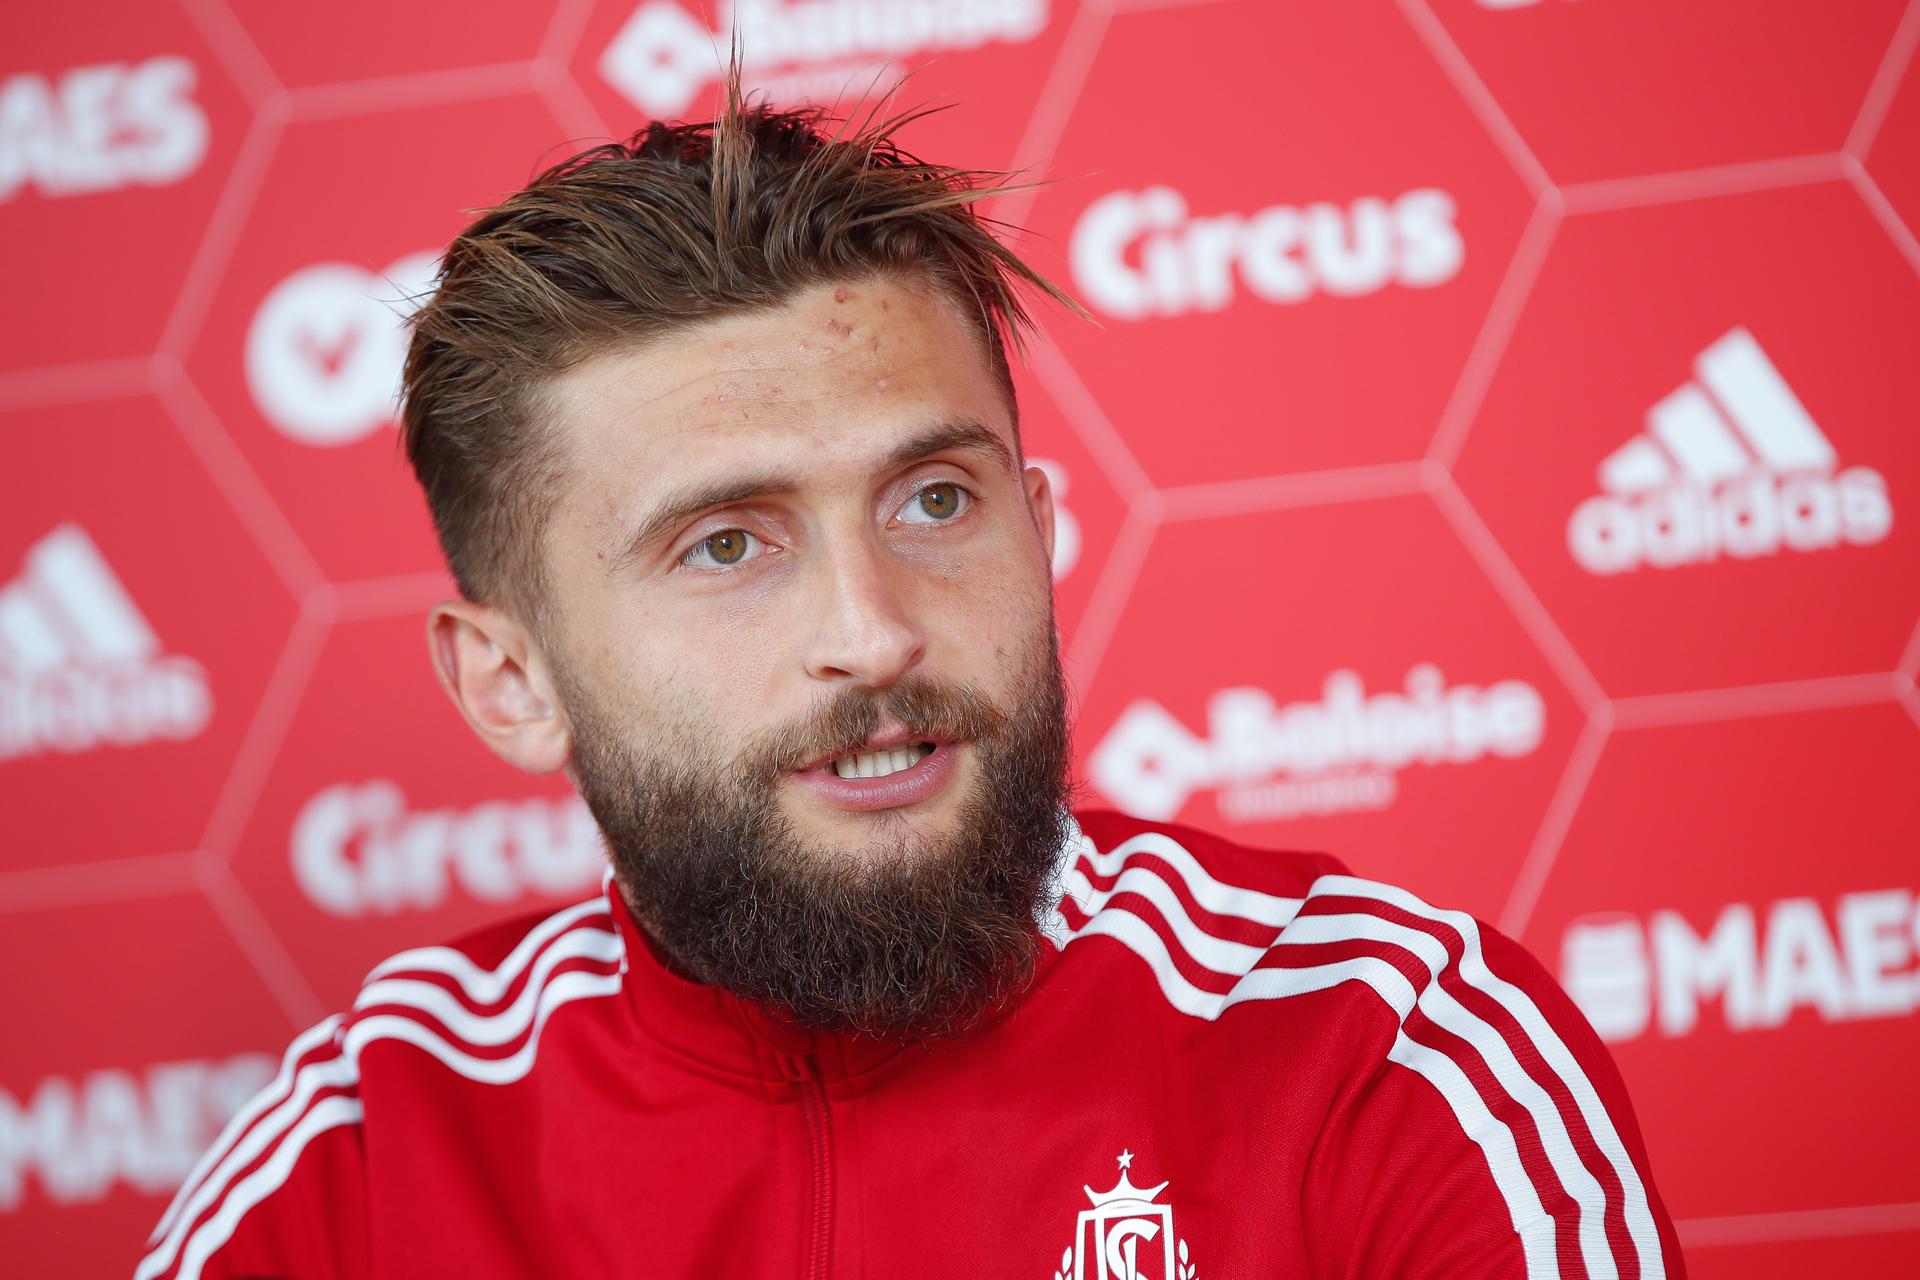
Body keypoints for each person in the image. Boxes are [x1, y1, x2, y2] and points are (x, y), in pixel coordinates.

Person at [136, 61, 1684, 1280]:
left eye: (936, 501)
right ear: (507, 682)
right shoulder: (362, 1156)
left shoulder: (1381, 1047)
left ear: (1042, 524)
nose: (875, 633)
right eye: (725, 546)